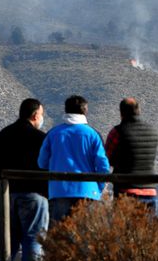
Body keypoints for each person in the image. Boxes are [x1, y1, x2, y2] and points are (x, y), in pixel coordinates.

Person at [0, 98, 49, 261]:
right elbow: (48, 166)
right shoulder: (40, 138)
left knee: (9, 241)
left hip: (8, 194)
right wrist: (46, 191)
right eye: (42, 114)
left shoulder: (4, 134)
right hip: (34, 195)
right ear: (36, 115)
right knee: (33, 239)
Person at [38, 95, 110, 223]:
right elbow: (103, 166)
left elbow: (42, 163)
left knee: (59, 238)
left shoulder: (53, 133)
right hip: (88, 191)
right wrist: (97, 188)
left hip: (59, 191)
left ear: (65, 110)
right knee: (85, 238)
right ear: (85, 111)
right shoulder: (93, 134)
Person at [104, 97, 158, 211]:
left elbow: (107, 158)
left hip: (126, 191)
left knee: (125, 228)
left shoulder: (117, 132)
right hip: (150, 190)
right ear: (139, 111)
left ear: (121, 113)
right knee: (147, 228)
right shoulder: (152, 131)